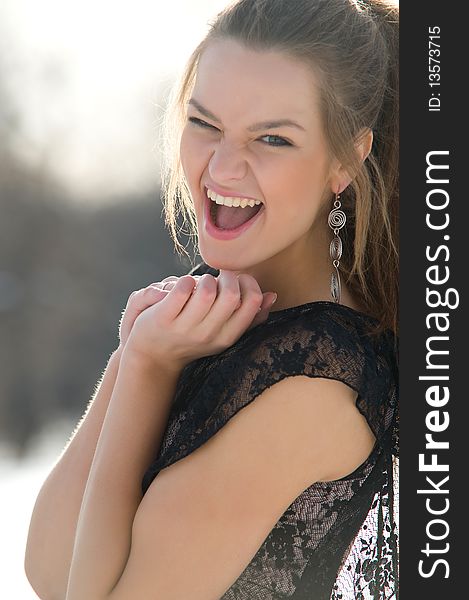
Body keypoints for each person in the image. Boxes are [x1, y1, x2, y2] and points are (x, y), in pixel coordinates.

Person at [25, 0, 399, 598]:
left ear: (345, 159)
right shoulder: (211, 312)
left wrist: (147, 369)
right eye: (205, 124)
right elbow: (48, 567)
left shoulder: (316, 385)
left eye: (272, 138)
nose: (222, 167)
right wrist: (134, 358)